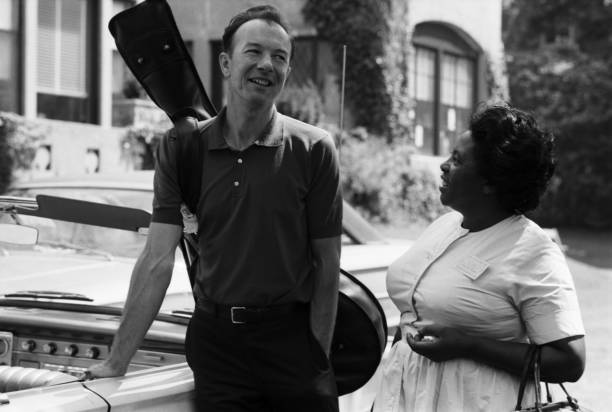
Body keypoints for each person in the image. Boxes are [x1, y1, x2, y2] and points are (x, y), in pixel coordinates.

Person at [88, 5, 342, 412]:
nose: (266, 65)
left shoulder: (313, 149)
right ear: (225, 62)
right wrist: (117, 362)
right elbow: (156, 260)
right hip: (217, 347)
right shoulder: (180, 147)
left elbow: (326, 266)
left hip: (291, 343)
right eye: (253, 52)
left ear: (288, 72)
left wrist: (317, 357)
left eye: (280, 57)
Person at [373, 105, 585, 411]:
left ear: (490, 181)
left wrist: (469, 345)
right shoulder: (444, 226)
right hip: (405, 396)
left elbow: (570, 361)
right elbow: (413, 312)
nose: (444, 166)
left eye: (458, 160)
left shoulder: (533, 251)